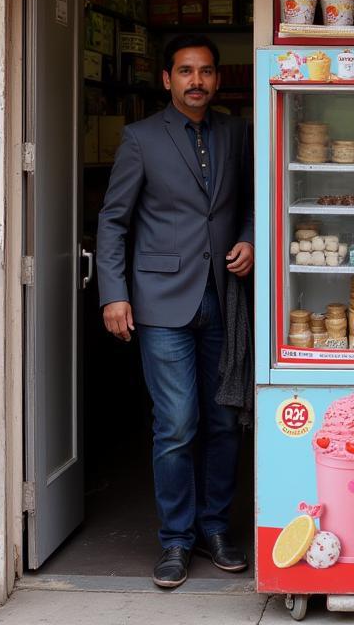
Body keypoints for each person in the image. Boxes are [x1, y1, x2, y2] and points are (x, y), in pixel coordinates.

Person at [97, 34, 255, 588]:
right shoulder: (141, 138)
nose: (197, 81)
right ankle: (175, 540)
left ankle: (215, 529)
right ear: (167, 79)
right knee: (178, 424)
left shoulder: (236, 132)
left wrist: (251, 238)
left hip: (225, 296)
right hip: (161, 301)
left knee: (223, 422)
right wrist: (114, 294)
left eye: (207, 72)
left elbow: (258, 198)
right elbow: (114, 221)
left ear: (218, 79)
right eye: (186, 71)